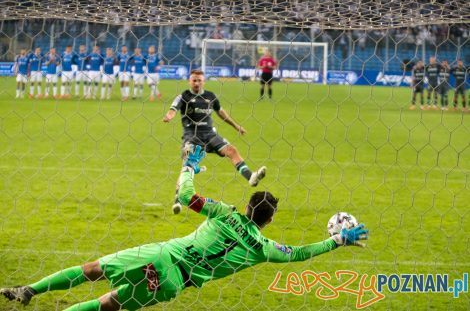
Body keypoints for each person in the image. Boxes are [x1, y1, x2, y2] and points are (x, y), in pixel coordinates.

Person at [0, 145, 369, 311]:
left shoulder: (225, 213)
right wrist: (338, 239)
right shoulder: (263, 248)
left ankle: (29, 291)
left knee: (92, 270)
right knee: (110, 304)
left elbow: (189, 196)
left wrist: (189, 166)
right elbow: (302, 253)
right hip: (174, 284)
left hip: (163, 255)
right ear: (268, 221)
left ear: (247, 207)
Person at [163, 70, 267, 214]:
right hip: (192, 136)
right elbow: (173, 109)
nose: (197, 83)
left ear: (203, 81)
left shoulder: (210, 96)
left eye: (199, 80)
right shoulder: (184, 96)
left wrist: (236, 126)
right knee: (187, 165)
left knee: (232, 150)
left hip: (210, 135)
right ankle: (177, 199)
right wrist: (169, 116)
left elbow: (221, 113)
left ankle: (251, 177)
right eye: (194, 80)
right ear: (189, 81)